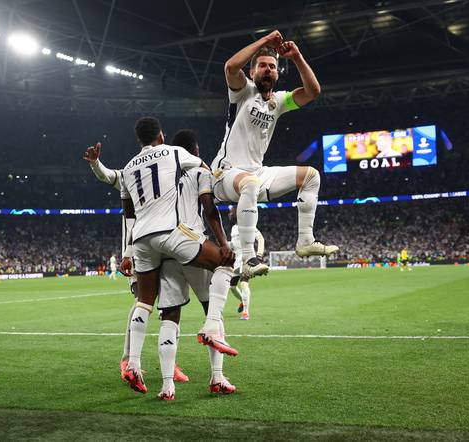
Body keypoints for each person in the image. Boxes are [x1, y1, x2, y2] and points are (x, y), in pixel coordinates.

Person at [88, 118, 236, 397]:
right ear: (161, 135)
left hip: (144, 241)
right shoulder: (179, 156)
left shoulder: (131, 167)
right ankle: (215, 361)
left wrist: (127, 252)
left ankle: (140, 368)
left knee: (150, 305)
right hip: (180, 236)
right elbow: (208, 200)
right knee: (220, 276)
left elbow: (124, 206)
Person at [212, 29, 338, 279]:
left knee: (311, 176)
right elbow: (230, 66)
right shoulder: (242, 91)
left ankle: (305, 241)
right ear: (252, 72)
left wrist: (297, 56)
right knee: (249, 183)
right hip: (224, 173)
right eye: (262, 66)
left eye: (272, 66)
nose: (267, 69)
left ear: (278, 73)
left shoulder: (279, 101)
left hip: (257, 174)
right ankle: (248, 257)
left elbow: (313, 92)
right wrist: (265, 41)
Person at [228, 207, 264, 320]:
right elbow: (234, 245)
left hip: (247, 259)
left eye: (231, 212)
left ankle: (245, 313)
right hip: (237, 261)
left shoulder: (248, 226)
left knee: (244, 283)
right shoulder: (233, 228)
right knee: (232, 286)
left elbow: (261, 239)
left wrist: (259, 255)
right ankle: (242, 302)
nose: (229, 214)